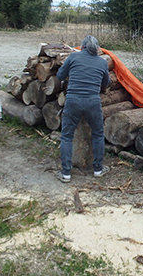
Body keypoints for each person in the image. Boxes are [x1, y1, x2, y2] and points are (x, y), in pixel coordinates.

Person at [55, 35, 111, 183]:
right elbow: (107, 82)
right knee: (98, 134)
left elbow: (60, 75)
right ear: (97, 49)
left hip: (73, 100)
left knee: (67, 136)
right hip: (93, 102)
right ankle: (98, 169)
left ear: (82, 47)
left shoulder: (73, 57)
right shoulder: (102, 62)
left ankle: (66, 173)